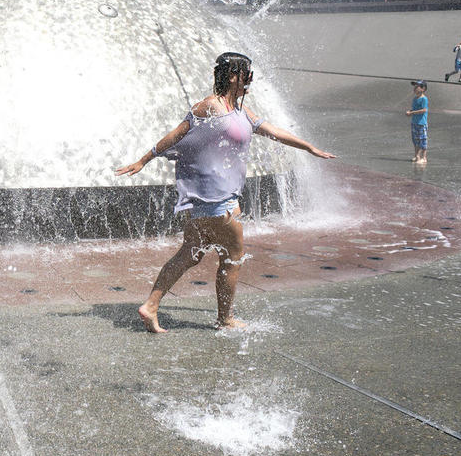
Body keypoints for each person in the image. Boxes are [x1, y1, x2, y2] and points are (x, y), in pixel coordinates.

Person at [116, 52, 336, 332]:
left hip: (214, 199)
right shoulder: (210, 106)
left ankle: (150, 306)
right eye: (247, 74)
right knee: (233, 256)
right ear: (233, 76)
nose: (250, 79)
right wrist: (143, 160)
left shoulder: (240, 110)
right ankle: (225, 320)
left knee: (191, 254)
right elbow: (177, 134)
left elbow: (275, 131)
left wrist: (308, 147)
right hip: (217, 200)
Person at [406, 80, 429, 165]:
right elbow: (415, 109)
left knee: (422, 140)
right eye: (414, 86)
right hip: (414, 122)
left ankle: (424, 157)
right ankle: (417, 156)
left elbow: (424, 110)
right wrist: (410, 111)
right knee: (415, 140)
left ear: (423, 89)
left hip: (421, 123)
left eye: (417, 86)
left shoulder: (424, 99)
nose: (415, 88)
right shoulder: (415, 99)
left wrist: (412, 113)